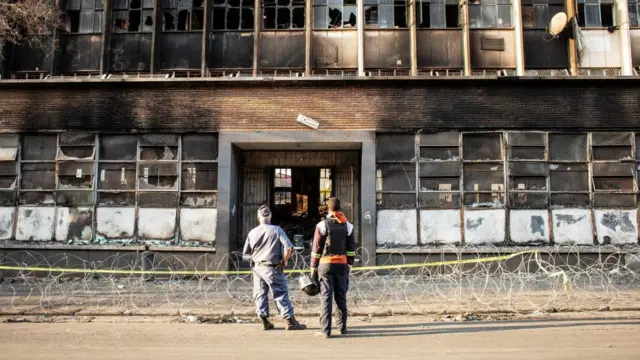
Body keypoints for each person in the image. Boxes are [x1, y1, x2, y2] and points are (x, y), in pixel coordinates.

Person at [242, 205, 306, 331]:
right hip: (273, 267)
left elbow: (245, 255)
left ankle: (264, 320)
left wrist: (255, 260)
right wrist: (285, 261)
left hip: (258, 268)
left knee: (260, 294)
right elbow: (288, 247)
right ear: (270, 216)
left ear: (258, 217)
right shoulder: (277, 230)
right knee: (280, 293)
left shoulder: (252, 232)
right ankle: (290, 321)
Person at [310, 197, 356, 338]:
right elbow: (351, 248)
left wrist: (313, 266)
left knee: (326, 297)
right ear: (340, 208)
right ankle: (342, 327)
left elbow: (316, 248)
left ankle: (325, 330)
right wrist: (349, 264)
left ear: (328, 209)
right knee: (341, 296)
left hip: (326, 265)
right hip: (342, 265)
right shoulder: (348, 225)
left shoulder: (322, 225)